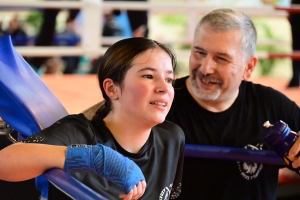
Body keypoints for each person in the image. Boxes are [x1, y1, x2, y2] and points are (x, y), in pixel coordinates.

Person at [84, 8, 300, 200]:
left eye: (221, 59)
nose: (205, 68)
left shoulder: (272, 106)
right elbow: (82, 129)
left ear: (248, 67)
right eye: (199, 53)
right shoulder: (158, 101)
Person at [0, 37, 184, 200]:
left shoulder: (172, 137)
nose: (164, 88)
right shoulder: (80, 134)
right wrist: (95, 158)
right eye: (149, 76)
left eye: (169, 79)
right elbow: (4, 162)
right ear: (112, 89)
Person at [287, 0, 300, 87]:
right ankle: (295, 77)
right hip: (295, 14)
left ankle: (296, 77)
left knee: (296, 45)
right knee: (295, 45)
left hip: (295, 12)